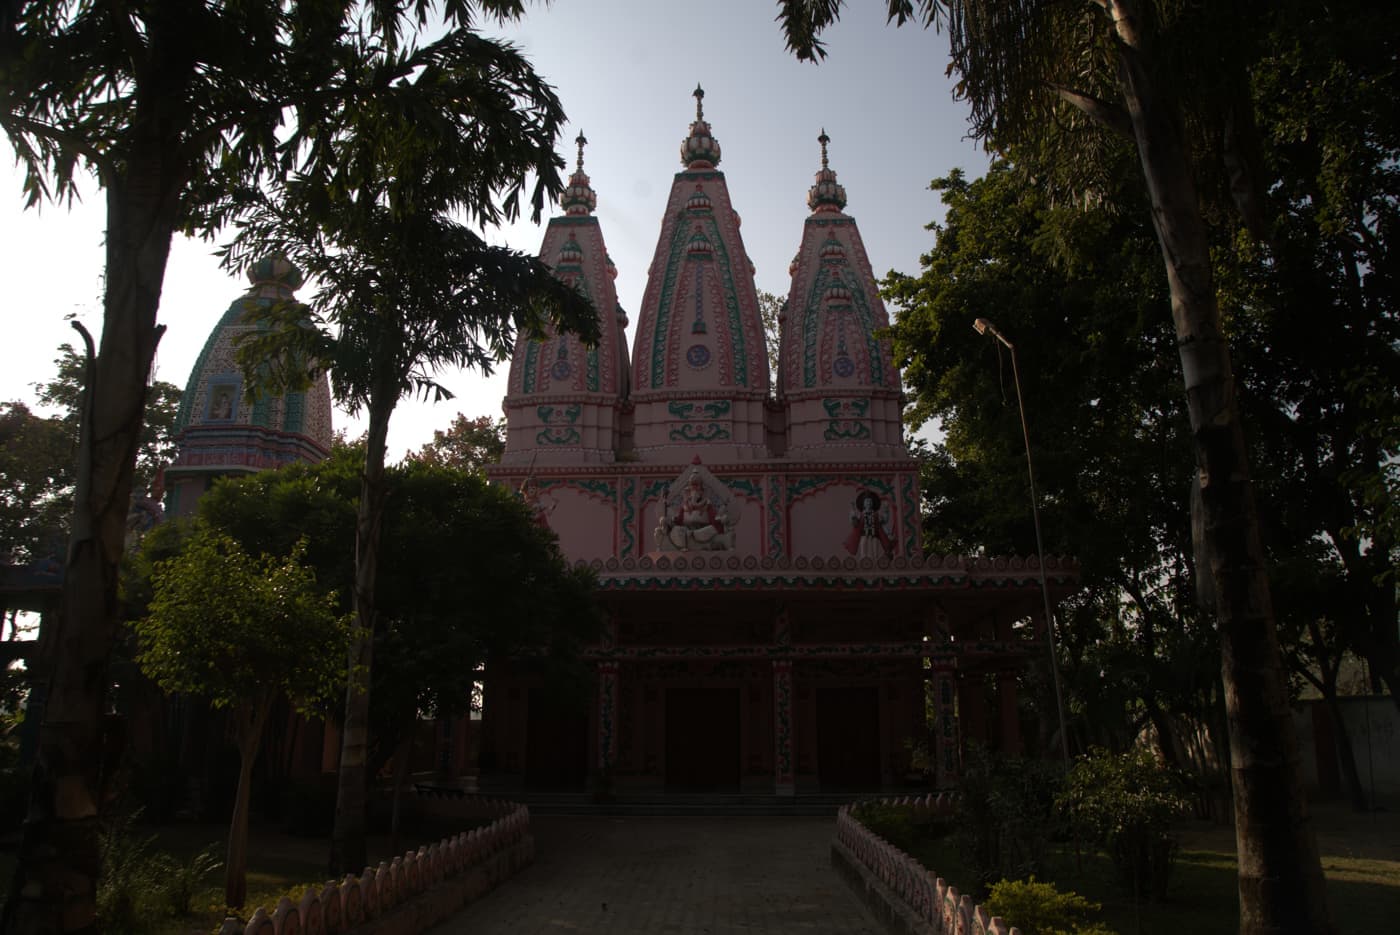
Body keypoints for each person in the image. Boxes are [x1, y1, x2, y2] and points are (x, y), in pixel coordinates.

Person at [845, 490, 893, 558]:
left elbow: (884, 521)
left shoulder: (876, 515)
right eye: (867, 501)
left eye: (870, 502)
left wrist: (886, 510)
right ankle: (863, 560)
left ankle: (875, 561)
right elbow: (854, 522)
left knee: (875, 551)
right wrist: (852, 510)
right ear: (863, 504)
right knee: (863, 548)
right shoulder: (861, 515)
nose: (869, 503)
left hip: (874, 535)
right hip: (864, 534)